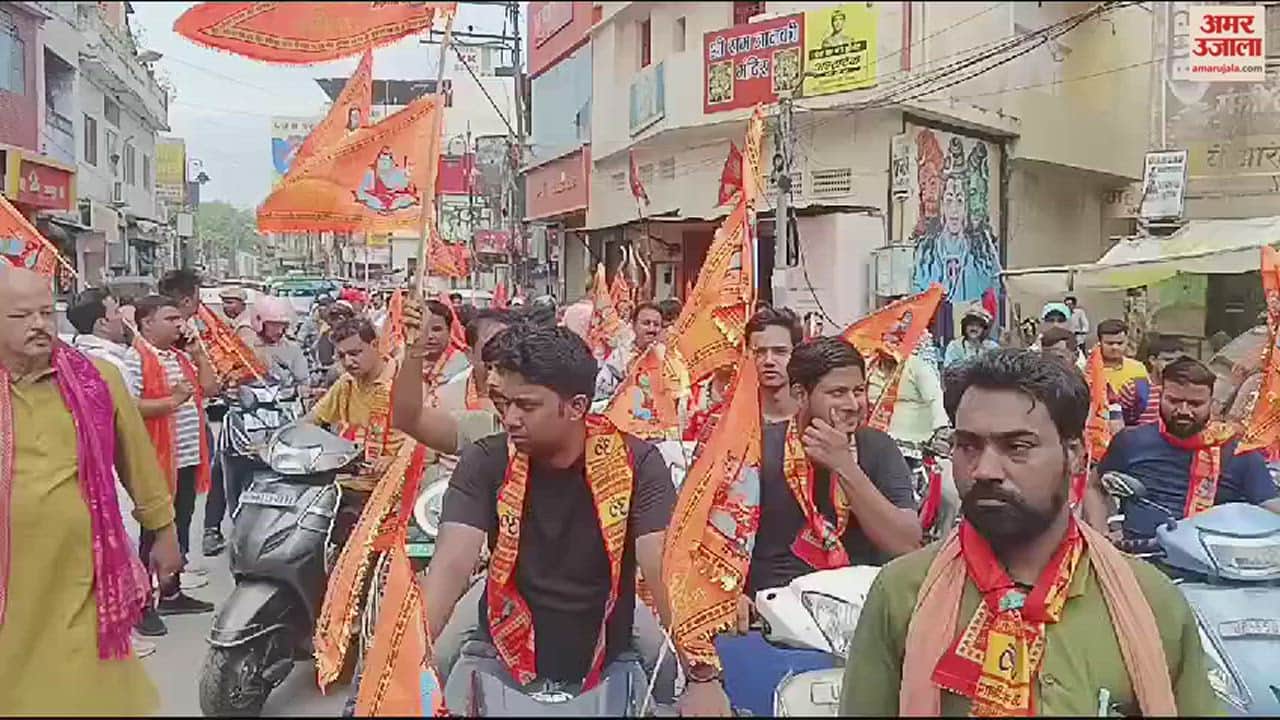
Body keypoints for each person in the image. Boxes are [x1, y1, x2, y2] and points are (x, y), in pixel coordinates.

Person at [840, 349, 1221, 716]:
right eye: (968, 446)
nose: (985, 470)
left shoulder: (1149, 602)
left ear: (1075, 455)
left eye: (1017, 447)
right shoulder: (903, 594)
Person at [422, 327, 680, 705]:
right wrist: (405, 659)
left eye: (526, 406)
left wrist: (703, 675)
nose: (510, 418)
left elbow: (661, 564)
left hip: (609, 645)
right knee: (434, 664)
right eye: (504, 403)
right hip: (500, 643)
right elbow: (450, 565)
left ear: (576, 406)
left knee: (670, 673)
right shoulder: (485, 460)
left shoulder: (637, 463)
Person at [0, 266, 182, 714]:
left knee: (85, 688)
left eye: (46, 312)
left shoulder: (97, 379)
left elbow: (138, 461)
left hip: (83, 569)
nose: (39, 325)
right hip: (11, 578)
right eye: (21, 316)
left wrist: (164, 531)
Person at [1090, 357, 1279, 538]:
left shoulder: (1239, 452)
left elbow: (1270, 506)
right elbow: (1093, 487)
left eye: (1195, 404)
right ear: (1160, 396)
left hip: (1210, 557)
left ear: (1212, 403)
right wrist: (1100, 538)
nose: (1183, 411)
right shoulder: (1131, 441)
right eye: (1173, 401)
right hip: (1138, 554)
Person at [67, 287, 157, 656]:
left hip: (95, 472)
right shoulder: (108, 365)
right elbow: (129, 422)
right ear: (102, 323)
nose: (123, 319)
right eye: (116, 313)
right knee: (115, 552)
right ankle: (119, 634)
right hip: (110, 472)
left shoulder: (80, 357)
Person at [124, 295, 220, 629]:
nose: (180, 325)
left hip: (187, 457)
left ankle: (171, 593)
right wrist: (173, 401)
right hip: (157, 461)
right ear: (146, 323)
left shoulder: (180, 357)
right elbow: (129, 406)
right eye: (170, 319)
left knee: (179, 527)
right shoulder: (135, 358)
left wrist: (199, 355)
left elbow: (210, 389)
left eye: (180, 319)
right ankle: (141, 604)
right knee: (154, 531)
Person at [594, 301, 664, 404]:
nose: (651, 329)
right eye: (646, 323)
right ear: (633, 325)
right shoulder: (620, 357)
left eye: (656, 324)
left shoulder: (667, 356)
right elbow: (600, 393)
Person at [747, 305, 802, 423]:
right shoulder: (731, 422)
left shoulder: (815, 419)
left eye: (780, 352)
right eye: (759, 352)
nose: (769, 361)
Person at [1094, 319, 1150, 428]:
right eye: (1109, 343)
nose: (1115, 347)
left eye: (1120, 343)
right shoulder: (1090, 370)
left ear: (1127, 342)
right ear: (1100, 342)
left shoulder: (1138, 368)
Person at [1138, 335, 1186, 426]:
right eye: (1168, 360)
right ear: (1152, 360)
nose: (1173, 365)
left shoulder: (1187, 389)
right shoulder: (1135, 388)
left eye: (1178, 361)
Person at [1032, 302, 1085, 369]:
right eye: (1050, 320)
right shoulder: (1032, 353)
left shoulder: (1078, 356)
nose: (1055, 324)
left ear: (1069, 323)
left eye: (1061, 321)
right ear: (1043, 323)